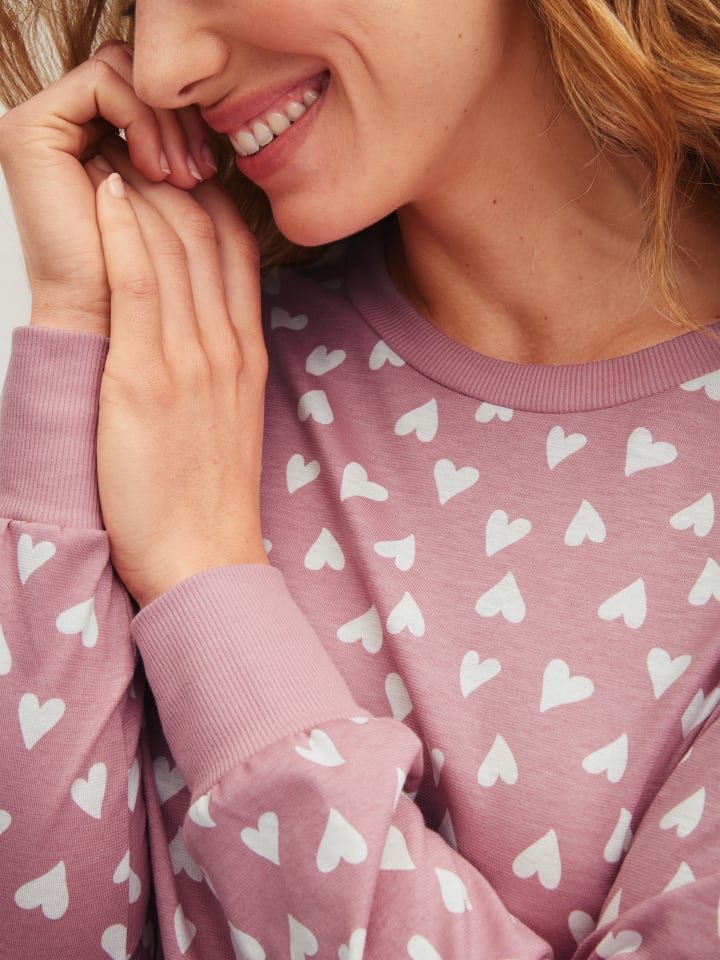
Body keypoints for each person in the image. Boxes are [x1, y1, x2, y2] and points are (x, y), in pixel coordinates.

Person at [0, 0, 718, 956]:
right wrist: (77, 329)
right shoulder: (183, 380)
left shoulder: (183, 461)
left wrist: (203, 579)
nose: (163, 67)